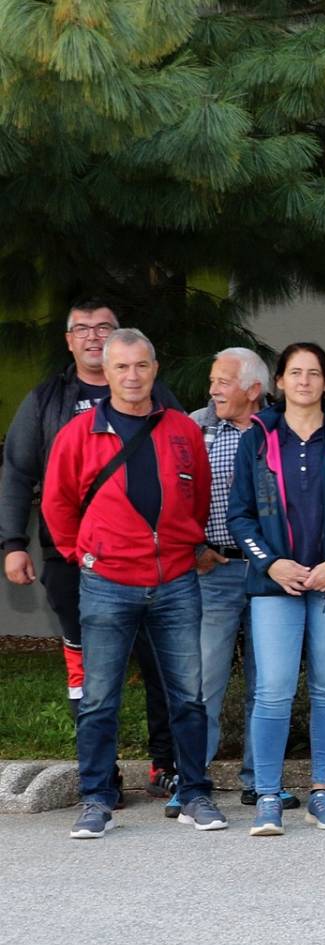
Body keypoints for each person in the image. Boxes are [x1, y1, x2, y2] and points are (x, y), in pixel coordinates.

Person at [1, 298, 181, 806]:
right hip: (70, 556)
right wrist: (13, 543)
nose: (94, 336)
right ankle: (100, 773)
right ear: (69, 341)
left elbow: (185, 464)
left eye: (104, 327)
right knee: (87, 668)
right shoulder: (47, 399)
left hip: (147, 560)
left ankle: (165, 764)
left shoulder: (156, 395)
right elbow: (17, 470)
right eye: (82, 329)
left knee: (159, 661)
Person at [43, 329, 222, 838]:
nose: (132, 376)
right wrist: (84, 554)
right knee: (100, 699)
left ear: (155, 369)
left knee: (187, 697)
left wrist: (181, 545)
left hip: (175, 582)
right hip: (107, 583)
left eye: (141, 365)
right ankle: (96, 799)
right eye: (121, 367)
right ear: (106, 372)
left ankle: (195, 793)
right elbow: (56, 504)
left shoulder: (182, 430)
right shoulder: (78, 434)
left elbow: (199, 498)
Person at [227, 343, 325, 835]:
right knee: (273, 691)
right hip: (276, 584)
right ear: (279, 381)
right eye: (295, 372)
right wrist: (271, 564)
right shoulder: (257, 438)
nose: (304, 381)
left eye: (314, 373)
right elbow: (239, 516)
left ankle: (322, 793)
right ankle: (268, 797)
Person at [192, 346, 287, 816]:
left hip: (270, 573)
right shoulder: (196, 427)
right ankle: (194, 780)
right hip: (217, 570)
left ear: (253, 389)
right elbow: (174, 491)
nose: (213, 390)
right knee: (205, 681)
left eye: (223, 381)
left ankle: (258, 779)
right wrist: (193, 547)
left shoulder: (280, 430)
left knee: (265, 682)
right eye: (213, 380)